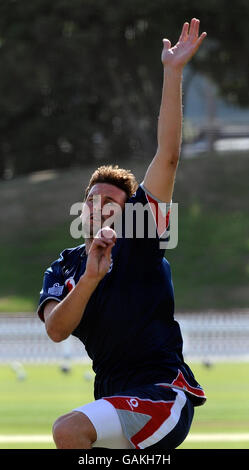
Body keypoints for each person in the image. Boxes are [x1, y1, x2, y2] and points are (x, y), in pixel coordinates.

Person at [37, 18, 207, 450]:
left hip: (160, 394)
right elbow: (57, 330)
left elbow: (167, 157)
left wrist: (173, 73)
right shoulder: (67, 264)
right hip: (113, 398)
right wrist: (91, 278)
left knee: (68, 430)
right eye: (92, 198)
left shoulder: (141, 240)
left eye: (111, 200)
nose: (98, 204)